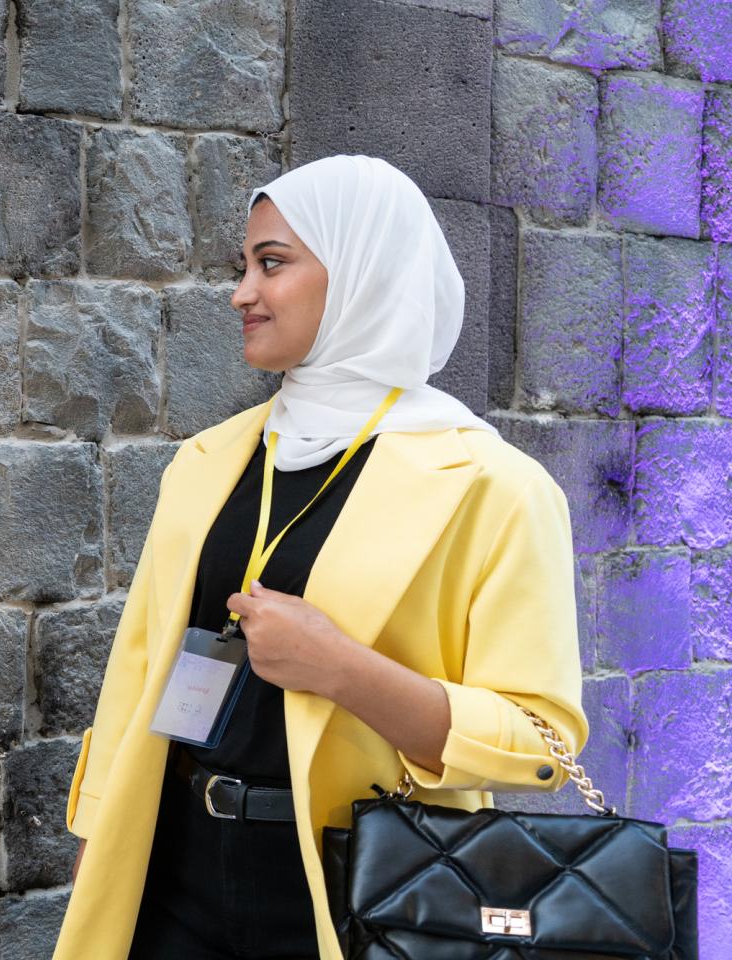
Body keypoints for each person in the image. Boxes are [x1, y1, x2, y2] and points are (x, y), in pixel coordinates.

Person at [52, 154, 589, 960]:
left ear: (365, 274)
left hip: (365, 887)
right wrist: (100, 842)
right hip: (172, 876)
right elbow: (137, 674)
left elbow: (540, 741)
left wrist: (340, 667)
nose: (242, 293)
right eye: (244, 267)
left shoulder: (494, 486)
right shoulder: (207, 460)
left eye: (273, 263)